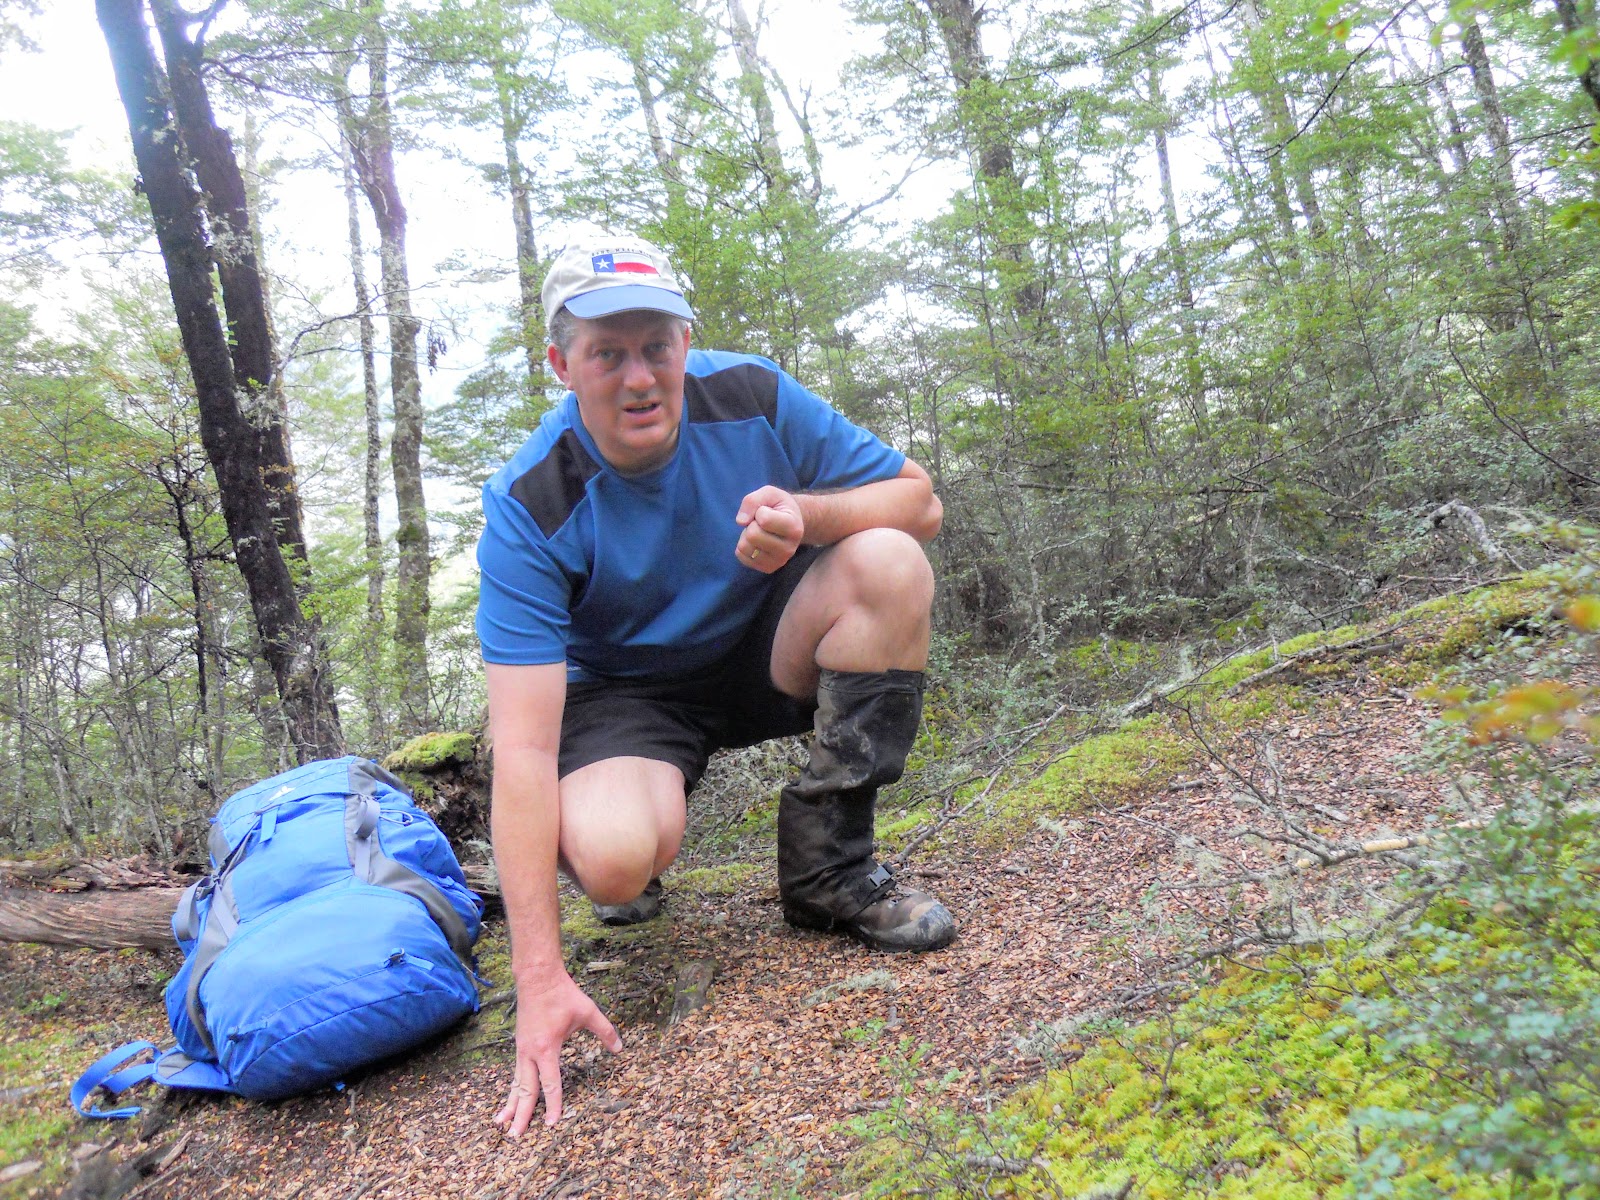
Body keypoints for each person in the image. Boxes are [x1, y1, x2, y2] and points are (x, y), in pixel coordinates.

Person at [475, 235, 955, 1138]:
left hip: (762, 644)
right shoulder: (530, 503)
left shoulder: (752, 395)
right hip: (625, 701)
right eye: (606, 353)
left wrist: (810, 516)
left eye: (657, 345)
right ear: (560, 364)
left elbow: (918, 500)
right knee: (618, 861)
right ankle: (627, 855)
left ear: (687, 343)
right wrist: (539, 978)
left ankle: (829, 868)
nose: (638, 376)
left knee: (889, 563)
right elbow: (525, 748)